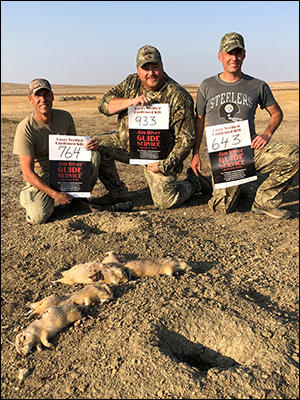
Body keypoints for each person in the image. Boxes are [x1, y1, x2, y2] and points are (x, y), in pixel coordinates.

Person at [90, 44, 212, 211]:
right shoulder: (131, 83)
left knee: (165, 202)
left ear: (162, 66)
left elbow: (186, 140)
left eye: (155, 67)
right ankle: (118, 194)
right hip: (129, 146)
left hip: (159, 156)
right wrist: (131, 101)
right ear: (138, 69)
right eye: (145, 68)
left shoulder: (177, 95)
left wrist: (162, 166)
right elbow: (104, 105)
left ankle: (194, 182)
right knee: (96, 145)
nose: (151, 73)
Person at [191, 32, 299, 219]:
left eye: (238, 53)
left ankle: (264, 202)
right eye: (229, 53)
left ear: (244, 55)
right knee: (221, 208)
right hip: (223, 158)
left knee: (293, 156)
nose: (234, 58)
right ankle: (231, 188)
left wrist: (266, 134)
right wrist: (195, 155)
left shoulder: (257, 85)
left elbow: (277, 113)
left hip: (250, 151)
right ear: (220, 56)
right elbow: (199, 120)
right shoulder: (206, 86)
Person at [13, 78, 101, 224]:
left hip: (64, 169)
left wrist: (89, 148)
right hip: (43, 174)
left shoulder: (65, 117)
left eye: (46, 94)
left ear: (52, 96)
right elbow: (27, 173)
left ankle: (78, 199)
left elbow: (75, 149)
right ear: (30, 99)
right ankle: (29, 196)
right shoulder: (25, 129)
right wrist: (54, 194)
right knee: (38, 217)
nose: (43, 99)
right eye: (38, 96)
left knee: (94, 156)